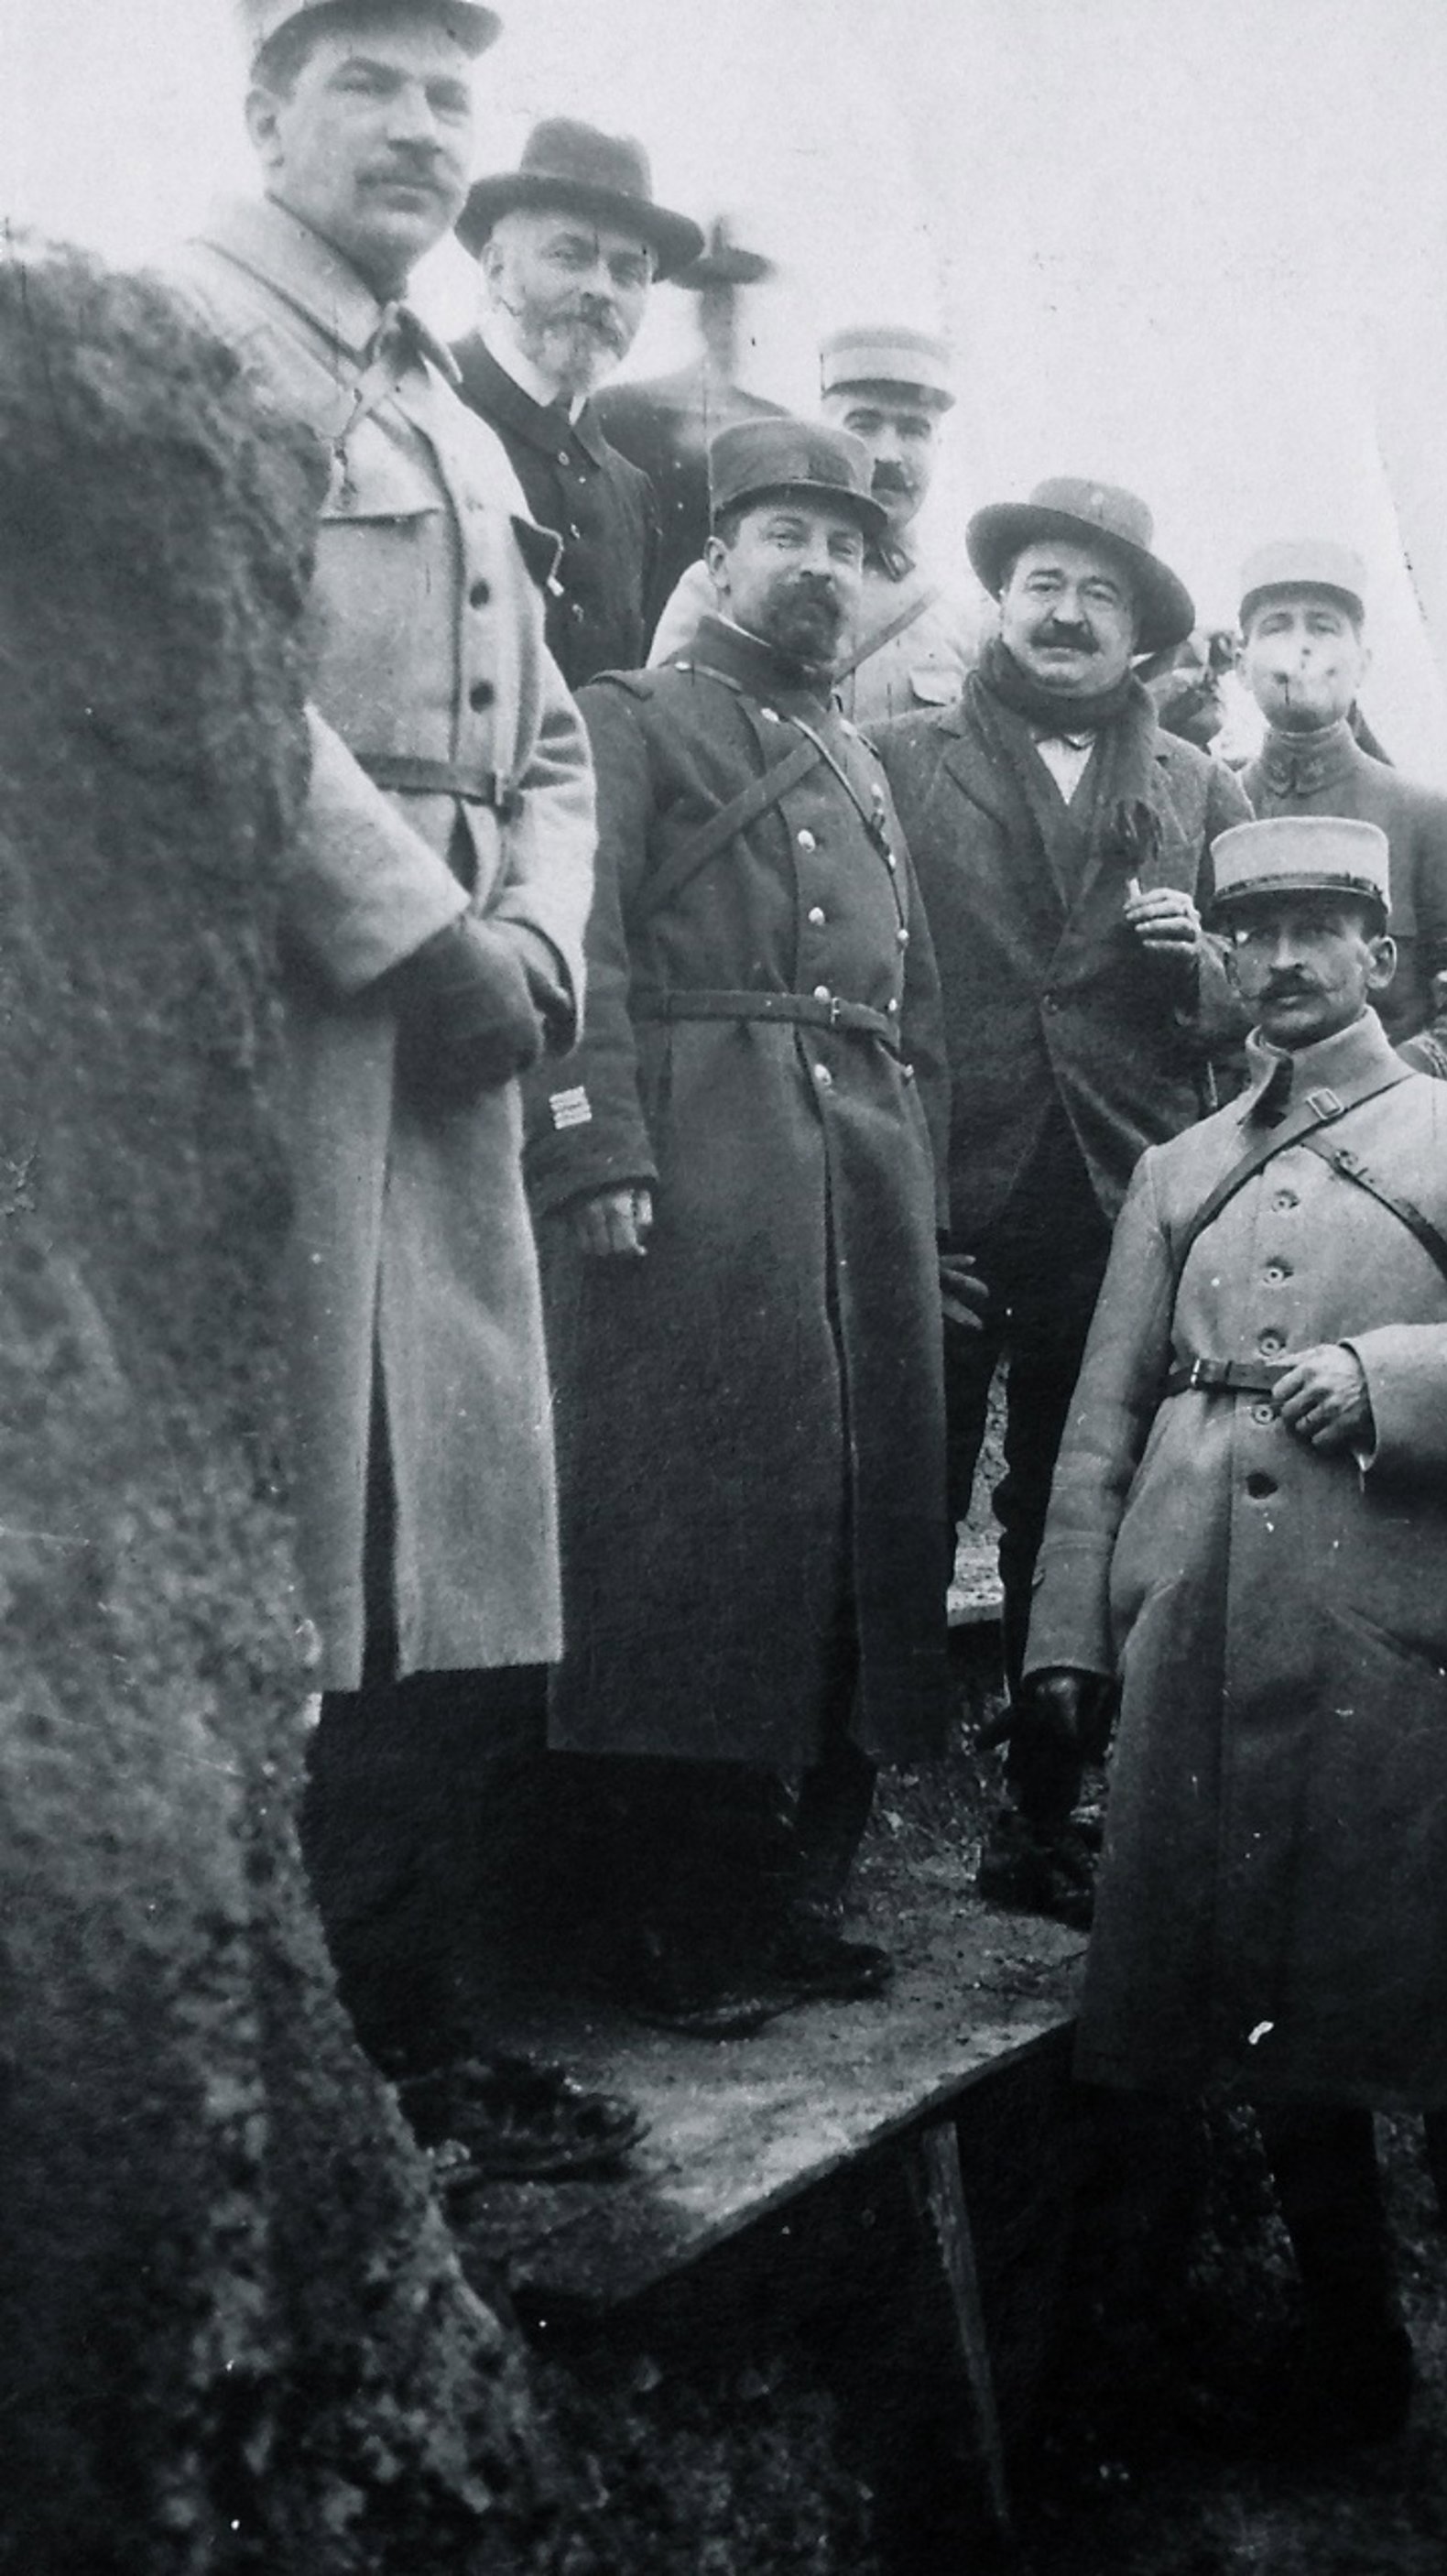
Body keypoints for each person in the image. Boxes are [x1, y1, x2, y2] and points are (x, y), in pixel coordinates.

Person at [169, 0, 634, 2171]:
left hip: (454, 1052)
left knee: (443, 1541)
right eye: (371, 81)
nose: (423, 127)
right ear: (268, 104)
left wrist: (534, 939)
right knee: (306, 1539)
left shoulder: (447, 402)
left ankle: (411, 2043)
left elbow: (554, 741)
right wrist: (415, 930)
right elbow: (187, 673)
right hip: (270, 1026)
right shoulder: (180, 332)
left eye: (453, 94)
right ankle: (308, 2076)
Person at [1019, 813, 1447, 2576]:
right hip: (1204, 1644)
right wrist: (1066, 1636)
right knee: (1273, 2029)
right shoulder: (1175, 1167)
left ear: (1381, 955)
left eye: (1318, 929)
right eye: (1251, 931)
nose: (1280, 961)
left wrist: (1395, 1372)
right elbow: (1101, 1418)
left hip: (1416, 1661)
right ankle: (1351, 2361)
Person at [525, 417, 954, 2032]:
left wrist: (924, 1203)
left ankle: (766, 1899)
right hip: (699, 1161)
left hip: (854, 1183)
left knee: (827, 1542)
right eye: (789, 536)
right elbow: (579, 947)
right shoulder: (630, 717)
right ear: (717, 557)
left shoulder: (861, 759)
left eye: (848, 547)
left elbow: (914, 1003)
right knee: (686, 1539)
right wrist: (596, 1150)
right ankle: (667, 1926)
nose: (822, 569)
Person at [876, 477, 1250, 1926]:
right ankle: (835, 1832)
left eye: (1101, 594)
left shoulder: (1202, 788)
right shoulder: (898, 758)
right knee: (899, 1496)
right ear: (1002, 599)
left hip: (1115, 1207)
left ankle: (1044, 1818)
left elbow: (1255, 997)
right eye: (1043, 583)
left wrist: (1195, 967)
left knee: (1077, 1511)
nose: (1067, 614)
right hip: (943, 1201)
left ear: (1142, 631)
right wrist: (899, 1195)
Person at [1238, 540, 1447, 1095]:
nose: (1300, 648)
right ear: (1241, 664)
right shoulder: (1208, 806)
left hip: (1393, 1135)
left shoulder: (1430, 817)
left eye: (1324, 627)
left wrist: (1385, 1090)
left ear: (1363, 663)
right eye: (1276, 627)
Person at [452, 120, 703, 687]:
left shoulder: (631, 493)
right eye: (569, 256)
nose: (602, 290)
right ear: (496, 269)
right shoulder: (419, 407)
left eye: (628, 272)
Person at [647, 325, 987, 726]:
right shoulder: (717, 585)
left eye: (915, 430)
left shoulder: (962, 617)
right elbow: (661, 730)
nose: (888, 454)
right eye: (864, 424)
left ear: (938, 445)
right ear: (824, 429)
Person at [597, 215, 786, 608]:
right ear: (700, 315)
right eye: (718, 308)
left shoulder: (777, 428)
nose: (732, 325)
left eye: (737, 309)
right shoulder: (623, 412)